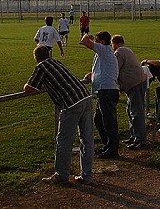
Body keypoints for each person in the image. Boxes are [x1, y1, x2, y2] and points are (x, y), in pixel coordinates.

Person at [24, 45, 93, 184]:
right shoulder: (56, 62)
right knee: (86, 140)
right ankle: (87, 175)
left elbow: (28, 88)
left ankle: (61, 175)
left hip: (71, 103)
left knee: (63, 141)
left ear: (36, 58)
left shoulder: (41, 67)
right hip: (85, 97)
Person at [80, 31, 120, 159]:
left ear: (102, 42)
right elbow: (103, 70)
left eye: (97, 40)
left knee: (109, 122)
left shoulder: (105, 50)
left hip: (107, 90)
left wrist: (87, 36)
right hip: (103, 90)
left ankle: (112, 150)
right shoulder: (103, 54)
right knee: (98, 120)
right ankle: (107, 146)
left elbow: (85, 42)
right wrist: (92, 75)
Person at [110, 35, 147, 150]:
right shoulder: (127, 50)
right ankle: (134, 135)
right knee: (130, 110)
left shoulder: (119, 52)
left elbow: (115, 69)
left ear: (114, 43)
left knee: (136, 112)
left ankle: (140, 139)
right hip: (137, 83)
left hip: (135, 84)